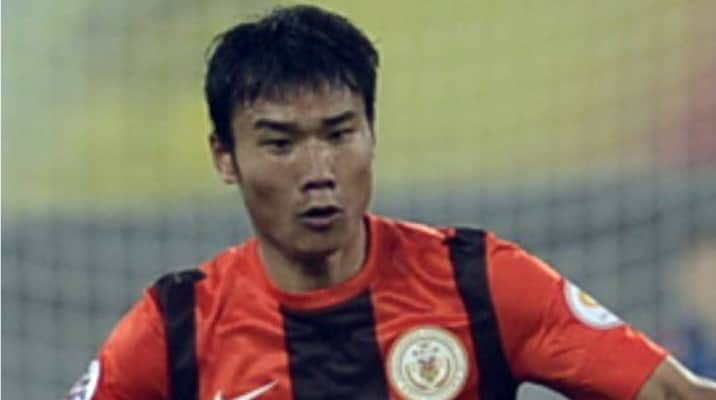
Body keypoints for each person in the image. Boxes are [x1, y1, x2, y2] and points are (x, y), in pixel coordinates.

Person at [65, 5, 716, 400]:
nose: (319, 172)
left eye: (339, 134)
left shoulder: (479, 282)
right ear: (225, 157)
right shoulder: (176, 325)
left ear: (372, 133)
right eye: (281, 143)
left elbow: (674, 394)